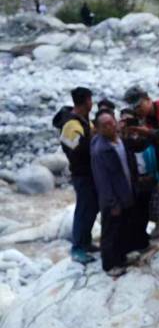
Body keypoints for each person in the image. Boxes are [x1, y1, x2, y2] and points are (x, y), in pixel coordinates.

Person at [123, 86, 159, 240]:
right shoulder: (143, 120)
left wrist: (147, 132)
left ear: (148, 99)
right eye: (134, 108)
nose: (138, 111)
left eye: (139, 106)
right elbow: (144, 143)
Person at [90, 110, 138, 277]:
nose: (110, 127)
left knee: (123, 228)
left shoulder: (119, 140)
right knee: (110, 232)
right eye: (105, 125)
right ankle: (109, 264)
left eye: (112, 123)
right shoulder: (100, 150)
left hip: (125, 192)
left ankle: (121, 257)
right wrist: (112, 203)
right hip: (113, 199)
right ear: (98, 129)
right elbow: (102, 181)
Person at [59, 86, 99, 265]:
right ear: (86, 101)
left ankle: (86, 242)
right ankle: (77, 248)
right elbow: (75, 150)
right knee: (84, 209)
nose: (92, 103)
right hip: (82, 174)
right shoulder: (71, 125)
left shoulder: (83, 121)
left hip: (90, 172)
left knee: (91, 208)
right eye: (90, 100)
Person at [120, 108, 157, 251]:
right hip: (130, 182)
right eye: (124, 120)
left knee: (143, 212)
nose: (128, 124)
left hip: (146, 179)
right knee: (131, 213)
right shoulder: (119, 140)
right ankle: (133, 242)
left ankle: (142, 239)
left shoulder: (144, 138)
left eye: (130, 120)